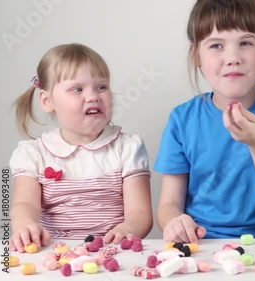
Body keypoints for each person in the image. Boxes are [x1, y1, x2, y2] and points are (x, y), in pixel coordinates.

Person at [154, 0, 255, 243]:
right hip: (202, 245)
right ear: (195, 55)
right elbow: (169, 204)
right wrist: (175, 223)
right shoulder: (182, 119)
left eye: (245, 43)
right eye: (216, 45)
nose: (233, 58)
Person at [9, 43, 153, 252]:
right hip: (55, 253)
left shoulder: (127, 148)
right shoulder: (33, 154)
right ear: (47, 100)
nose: (94, 96)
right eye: (77, 89)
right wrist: (25, 227)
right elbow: (25, 205)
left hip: (113, 252)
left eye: (101, 87)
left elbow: (140, 212)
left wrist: (129, 228)